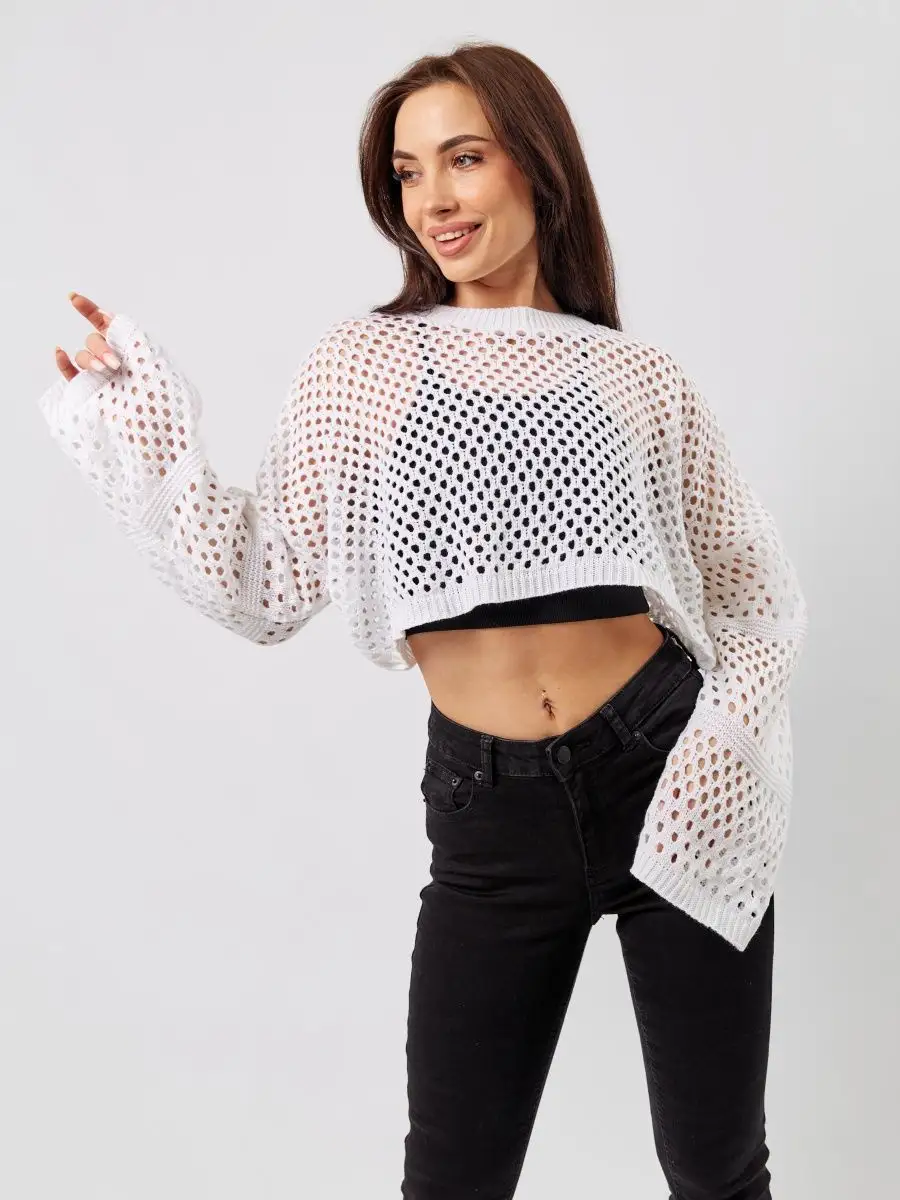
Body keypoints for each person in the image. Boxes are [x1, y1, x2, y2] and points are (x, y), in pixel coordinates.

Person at [38, 39, 808, 1200]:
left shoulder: (640, 377)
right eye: (408, 174)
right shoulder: (365, 366)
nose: (434, 199)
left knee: (717, 1168)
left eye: (464, 158)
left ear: (537, 165)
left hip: (665, 766)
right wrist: (137, 419)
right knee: (453, 1179)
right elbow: (261, 582)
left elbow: (755, 591)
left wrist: (721, 748)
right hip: (489, 813)